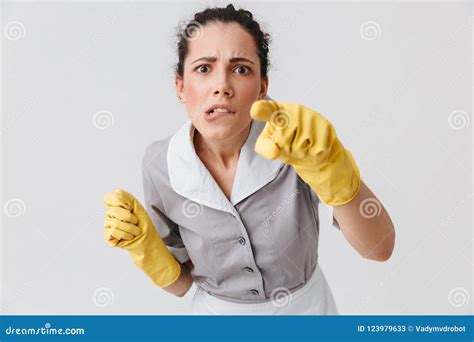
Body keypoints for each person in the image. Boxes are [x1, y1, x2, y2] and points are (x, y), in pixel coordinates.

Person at [102, 4, 395, 315]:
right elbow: (181, 285)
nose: (222, 87)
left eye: (240, 69)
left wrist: (336, 174)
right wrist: (147, 252)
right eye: (204, 68)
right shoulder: (161, 165)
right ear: (180, 87)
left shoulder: (299, 141)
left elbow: (379, 250)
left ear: (262, 87)